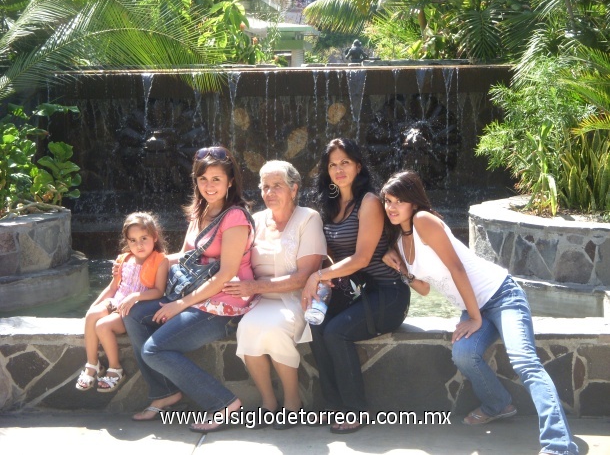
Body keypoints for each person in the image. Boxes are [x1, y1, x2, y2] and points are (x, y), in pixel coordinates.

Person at [381, 170, 579, 455]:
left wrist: (474, 318)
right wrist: (401, 270)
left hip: (502, 295)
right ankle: (499, 404)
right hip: (473, 305)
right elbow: (424, 289)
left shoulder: (424, 220)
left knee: (524, 361)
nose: (391, 207)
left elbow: (456, 268)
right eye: (387, 201)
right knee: (463, 353)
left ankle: (559, 445)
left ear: (413, 202)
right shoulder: (401, 242)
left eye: (398, 200)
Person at [123, 146, 256, 430]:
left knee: (154, 351)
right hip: (193, 295)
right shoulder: (200, 211)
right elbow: (183, 257)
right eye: (203, 179)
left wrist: (179, 305)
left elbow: (226, 273)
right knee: (133, 314)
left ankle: (224, 404)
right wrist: (134, 262)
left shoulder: (235, 217)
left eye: (216, 179)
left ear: (230, 182)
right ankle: (164, 393)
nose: (209, 186)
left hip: (223, 304)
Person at [301, 138, 411, 434]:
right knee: (317, 321)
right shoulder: (331, 204)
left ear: (358, 166)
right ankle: (333, 404)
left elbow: (362, 259)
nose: (338, 169)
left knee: (337, 333)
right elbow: (332, 255)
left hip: (389, 293)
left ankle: (355, 409)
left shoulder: (370, 202)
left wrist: (318, 277)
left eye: (345, 162)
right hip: (359, 291)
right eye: (332, 164)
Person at [224, 160, 327, 430]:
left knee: (272, 328)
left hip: (296, 298)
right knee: (247, 329)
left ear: (294, 189)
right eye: (265, 186)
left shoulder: (309, 218)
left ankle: (293, 403)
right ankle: (269, 403)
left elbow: (303, 277)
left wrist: (254, 286)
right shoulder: (255, 220)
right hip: (257, 301)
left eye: (277, 186)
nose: (270, 192)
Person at [75, 212, 169, 393]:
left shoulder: (160, 261)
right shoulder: (123, 259)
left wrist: (136, 296)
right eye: (132, 240)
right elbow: (112, 288)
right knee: (92, 315)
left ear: (154, 236)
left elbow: (159, 291)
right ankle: (92, 364)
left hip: (132, 310)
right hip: (116, 302)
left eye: (143, 238)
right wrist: (93, 305)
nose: (138, 245)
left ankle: (115, 368)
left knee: (102, 325)